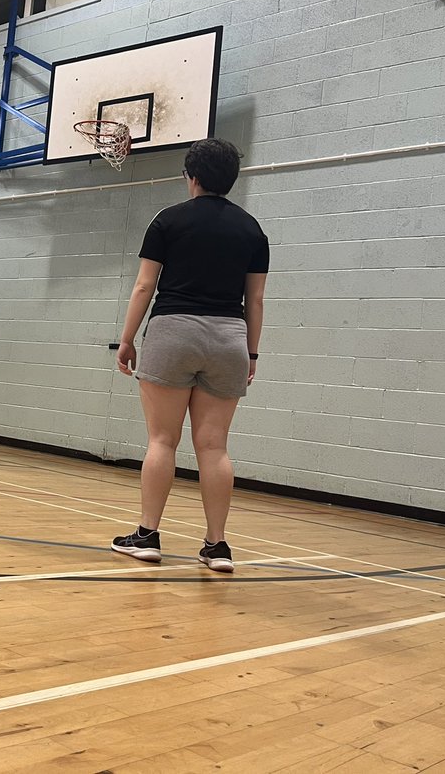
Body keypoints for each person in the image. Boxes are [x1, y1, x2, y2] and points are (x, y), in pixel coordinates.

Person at [111, 138, 268, 574]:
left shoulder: (167, 221)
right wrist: (251, 351)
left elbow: (144, 286)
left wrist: (126, 339)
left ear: (192, 177)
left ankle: (147, 535)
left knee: (162, 440)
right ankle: (217, 546)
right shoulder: (252, 230)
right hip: (229, 337)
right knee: (214, 447)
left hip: (172, 330)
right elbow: (255, 300)